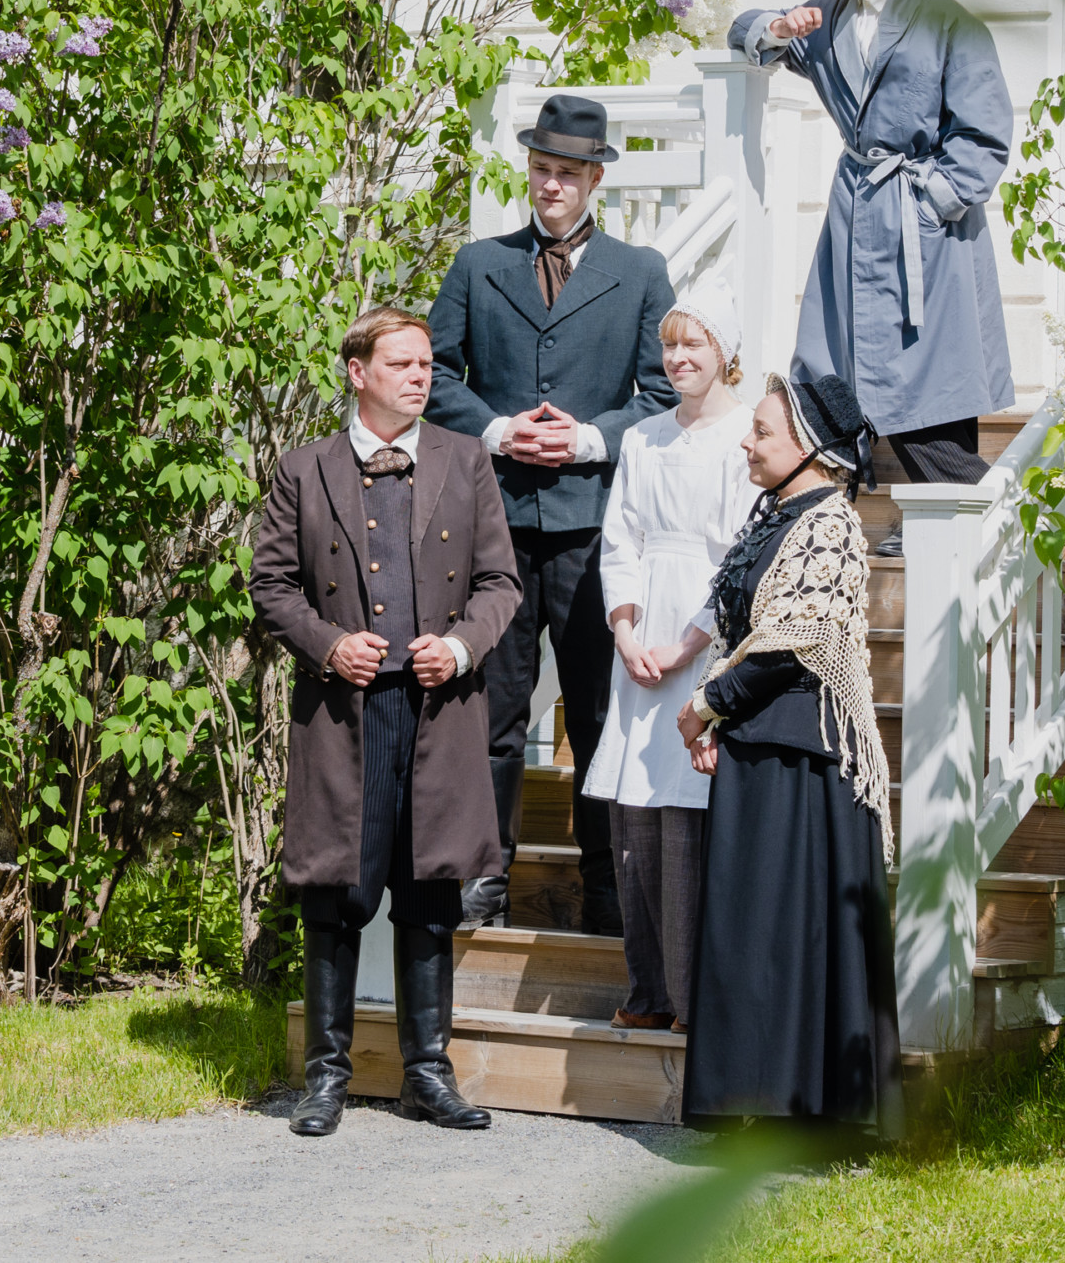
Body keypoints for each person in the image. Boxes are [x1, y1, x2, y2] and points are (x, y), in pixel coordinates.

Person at [250, 307, 523, 1138]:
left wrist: (462, 646)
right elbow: (271, 585)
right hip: (345, 715)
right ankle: (325, 1077)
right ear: (356, 371)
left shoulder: (467, 459)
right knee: (335, 892)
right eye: (401, 363)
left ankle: (427, 1075)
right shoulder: (304, 470)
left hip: (440, 710)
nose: (420, 375)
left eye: (426, 363)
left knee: (432, 891)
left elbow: (499, 583)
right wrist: (330, 647)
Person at [426, 93, 677, 933]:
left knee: (600, 713)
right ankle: (482, 883)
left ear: (595, 178)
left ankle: (609, 890)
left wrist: (589, 441)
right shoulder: (477, 264)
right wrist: (497, 429)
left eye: (566, 173)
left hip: (591, 527)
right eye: (540, 169)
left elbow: (664, 391)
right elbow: (436, 377)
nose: (550, 186)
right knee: (490, 712)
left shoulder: (639, 273)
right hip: (492, 525)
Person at [730, 0, 1017, 553]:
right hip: (853, 213)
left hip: (926, 230)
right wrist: (778, 29)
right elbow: (745, 31)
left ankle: (957, 522)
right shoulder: (827, 18)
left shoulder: (949, 21)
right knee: (831, 362)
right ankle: (842, 519)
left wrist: (930, 202)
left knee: (929, 375)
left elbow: (984, 138)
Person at [676, 371, 902, 1136]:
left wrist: (708, 704)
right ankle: (759, 1102)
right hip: (761, 745)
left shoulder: (829, 524)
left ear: (809, 446)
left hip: (807, 757)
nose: (747, 439)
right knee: (755, 933)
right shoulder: (776, 515)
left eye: (764, 431)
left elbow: (789, 648)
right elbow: (745, 634)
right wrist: (718, 712)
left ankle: (814, 1114)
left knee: (796, 935)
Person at [580, 292, 757, 1034]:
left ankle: (693, 996)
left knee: (685, 814)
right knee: (635, 813)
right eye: (671, 347)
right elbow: (619, 540)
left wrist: (688, 643)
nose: (680, 360)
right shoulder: (645, 437)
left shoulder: (745, 436)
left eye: (696, 346)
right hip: (640, 635)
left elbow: (741, 553)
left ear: (725, 354)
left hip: (700, 636)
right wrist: (624, 632)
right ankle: (647, 986)